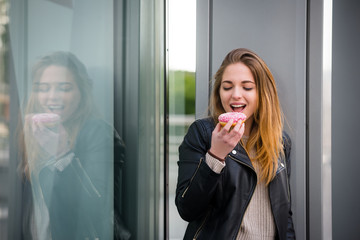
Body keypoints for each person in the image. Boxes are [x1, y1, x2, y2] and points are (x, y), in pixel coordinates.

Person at [175, 48, 295, 239]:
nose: (235, 95)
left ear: (263, 93)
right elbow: (187, 209)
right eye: (227, 86)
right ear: (219, 92)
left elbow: (284, 214)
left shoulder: (281, 142)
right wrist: (215, 155)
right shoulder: (202, 133)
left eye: (247, 87)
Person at [17, 51, 130, 240]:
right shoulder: (29, 134)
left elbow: (97, 211)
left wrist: (62, 154)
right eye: (43, 88)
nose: (52, 96)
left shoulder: (97, 133)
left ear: (82, 92)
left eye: (64, 88)